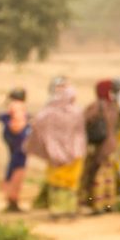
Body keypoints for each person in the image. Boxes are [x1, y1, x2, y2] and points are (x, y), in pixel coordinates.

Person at [26, 77, 87, 220]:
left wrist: (46, 145)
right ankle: (70, 210)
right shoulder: (76, 112)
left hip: (54, 154)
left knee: (56, 182)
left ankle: (56, 211)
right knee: (70, 183)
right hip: (75, 152)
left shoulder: (47, 113)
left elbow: (36, 126)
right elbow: (81, 133)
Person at [81, 79, 120, 214]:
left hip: (100, 145)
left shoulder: (96, 106)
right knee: (109, 176)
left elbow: (84, 119)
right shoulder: (114, 105)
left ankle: (98, 205)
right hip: (113, 144)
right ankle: (109, 204)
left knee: (97, 175)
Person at [0, 88, 32, 213]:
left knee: (12, 169)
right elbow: (18, 126)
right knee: (18, 170)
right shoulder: (18, 107)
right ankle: (13, 199)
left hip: (14, 144)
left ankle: (11, 198)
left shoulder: (9, 109)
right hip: (20, 144)